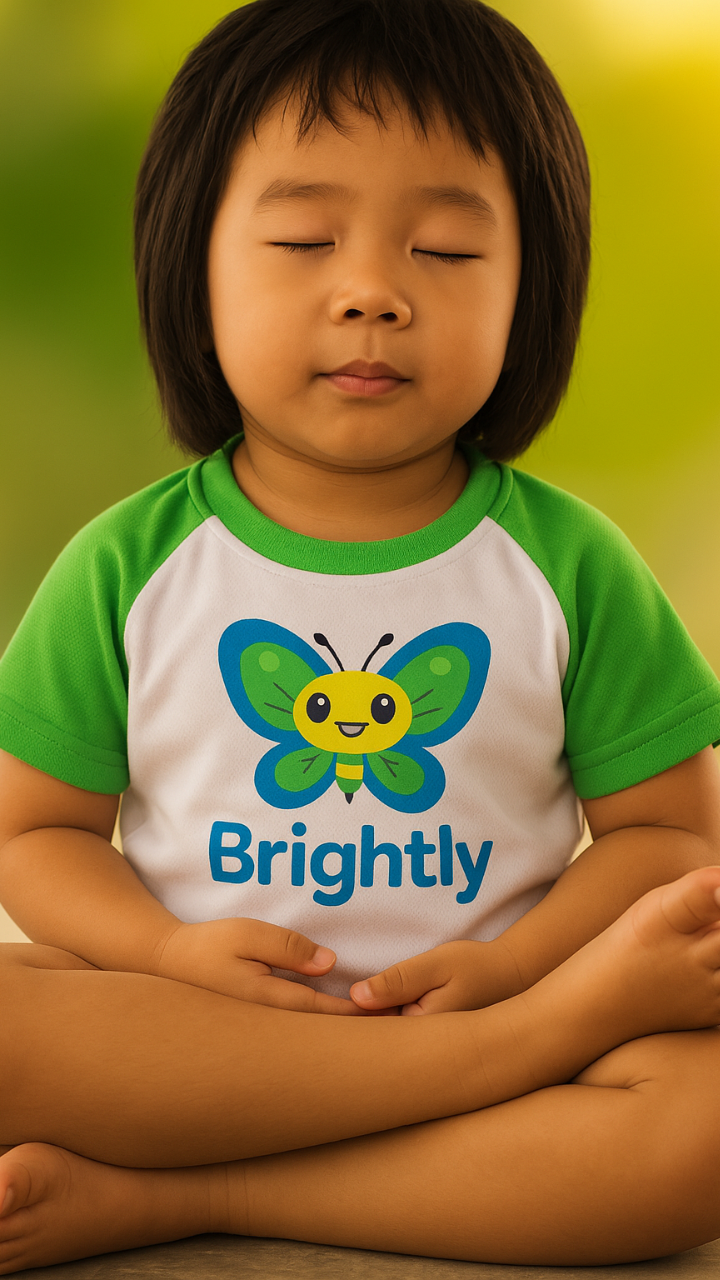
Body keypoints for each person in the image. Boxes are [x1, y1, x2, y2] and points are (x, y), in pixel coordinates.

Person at [0, 0, 719, 1270]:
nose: (373, 291)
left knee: (703, 1127)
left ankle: (188, 1193)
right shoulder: (129, 562)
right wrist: (162, 949)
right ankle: (429, 1097)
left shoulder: (568, 566)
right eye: (300, 236)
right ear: (194, 263)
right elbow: (37, 830)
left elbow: (667, 835)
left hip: (506, 1014)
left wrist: (524, 980)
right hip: (205, 1041)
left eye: (445, 250)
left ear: (532, 286)